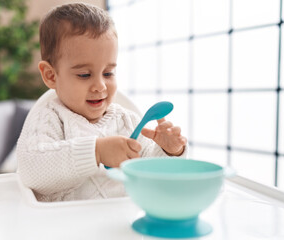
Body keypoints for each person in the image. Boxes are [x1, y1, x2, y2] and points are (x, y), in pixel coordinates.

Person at [16, 3, 187, 202]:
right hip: (64, 227)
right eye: (84, 74)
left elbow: (152, 176)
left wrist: (169, 152)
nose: (100, 86)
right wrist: (96, 152)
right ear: (51, 75)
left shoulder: (127, 121)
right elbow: (32, 170)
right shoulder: (49, 117)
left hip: (120, 223)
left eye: (108, 73)